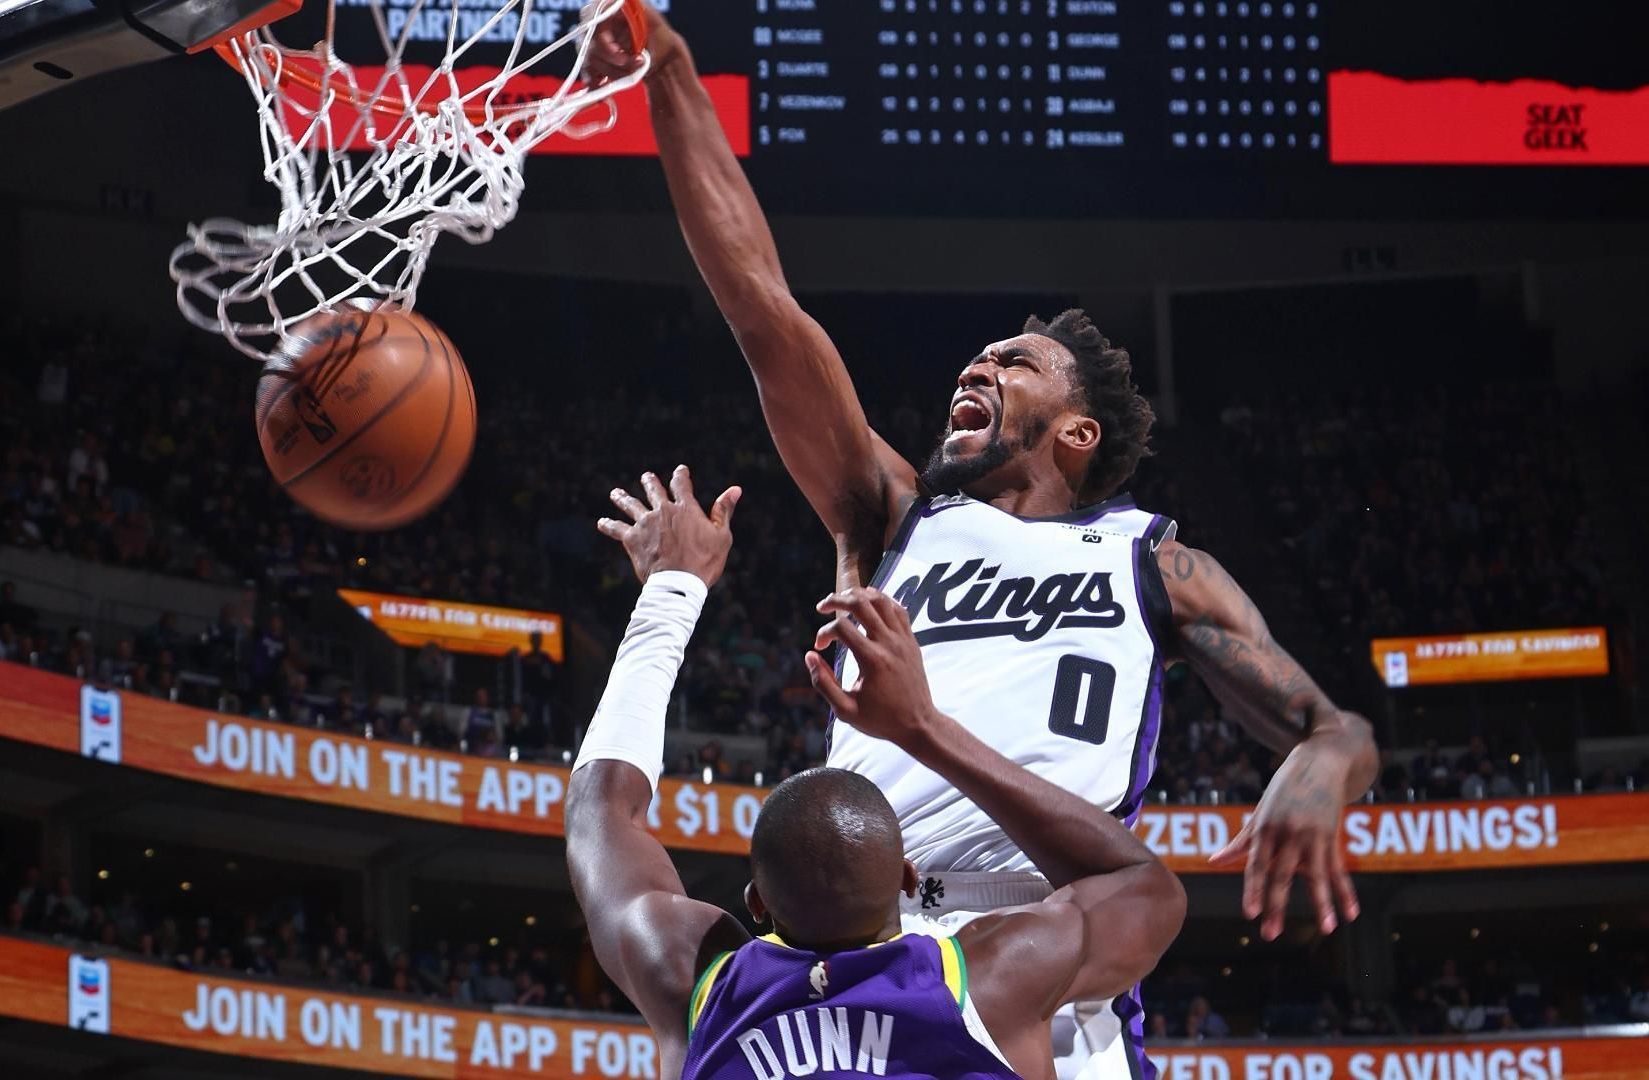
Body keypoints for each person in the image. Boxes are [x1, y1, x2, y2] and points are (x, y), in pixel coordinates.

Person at [584, 11, 1378, 1078]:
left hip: (1048, 952)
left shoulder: (1156, 565)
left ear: (1078, 432)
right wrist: (672, 74)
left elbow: (1332, 728)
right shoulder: (894, 518)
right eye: (977, 358)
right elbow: (765, 312)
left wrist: (1331, 760)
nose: (977, 367)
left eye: (1012, 364)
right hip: (869, 934)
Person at [569, 467, 1184, 1079]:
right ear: (909, 879)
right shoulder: (988, 985)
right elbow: (1146, 886)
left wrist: (671, 591)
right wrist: (923, 728)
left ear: (756, 903)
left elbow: (599, 809)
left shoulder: (697, 989)